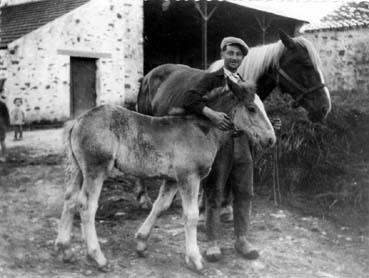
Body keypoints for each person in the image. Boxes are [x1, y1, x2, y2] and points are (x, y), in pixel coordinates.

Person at [183, 37, 260, 261]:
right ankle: (212, 242)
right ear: (223, 54)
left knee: (245, 192)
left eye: (239, 54)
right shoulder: (211, 79)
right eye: (231, 53)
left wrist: (269, 124)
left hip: (243, 144)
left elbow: (253, 112)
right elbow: (189, 100)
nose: (234, 58)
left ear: (242, 58)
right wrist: (211, 113)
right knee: (214, 193)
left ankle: (242, 239)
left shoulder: (246, 85)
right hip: (219, 145)